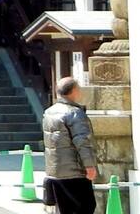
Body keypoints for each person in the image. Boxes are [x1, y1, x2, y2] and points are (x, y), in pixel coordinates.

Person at [41, 77, 97, 214]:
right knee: (85, 207)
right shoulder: (74, 113)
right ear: (73, 91)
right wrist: (89, 165)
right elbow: (82, 141)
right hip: (74, 172)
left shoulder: (49, 112)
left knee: (64, 209)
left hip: (55, 172)